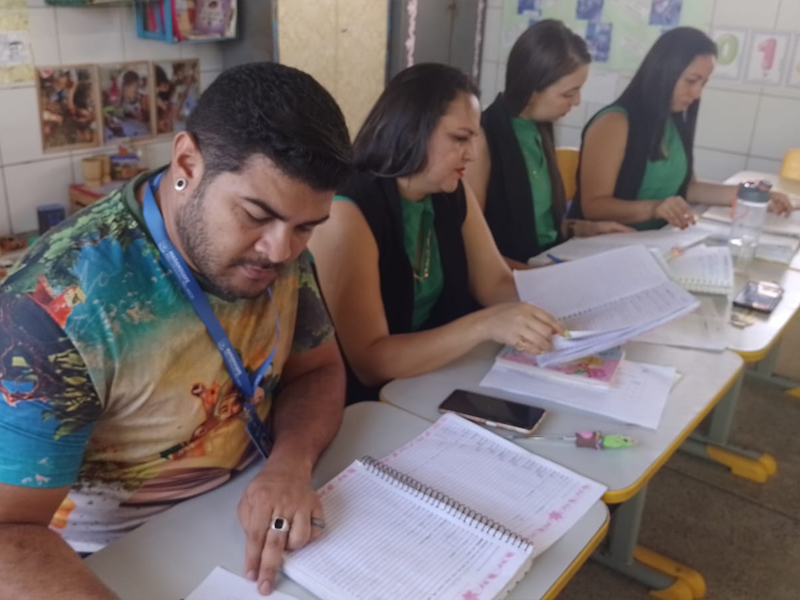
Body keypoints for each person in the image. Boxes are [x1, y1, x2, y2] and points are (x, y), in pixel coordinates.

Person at [0, 62, 352, 599]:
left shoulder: (275, 250)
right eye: (256, 214)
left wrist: (289, 463)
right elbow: (9, 531)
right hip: (113, 559)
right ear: (188, 162)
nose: (281, 251)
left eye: (305, 227)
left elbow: (318, 369)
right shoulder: (59, 306)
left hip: (246, 517)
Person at [309, 63, 565, 403]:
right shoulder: (348, 211)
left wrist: (576, 298)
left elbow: (497, 285)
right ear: (411, 130)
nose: (472, 155)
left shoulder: (449, 190)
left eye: (473, 139)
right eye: (460, 138)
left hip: (432, 380)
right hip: (371, 403)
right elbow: (371, 362)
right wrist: (483, 325)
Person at [574, 27, 793, 231]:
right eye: (691, 81)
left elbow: (687, 188)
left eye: (703, 83)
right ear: (663, 73)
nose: (697, 93)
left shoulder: (673, 120)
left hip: (655, 240)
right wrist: (654, 208)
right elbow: (594, 207)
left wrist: (750, 194)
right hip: (607, 245)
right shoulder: (614, 123)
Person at [466, 19, 633, 268]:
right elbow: (469, 252)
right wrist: (543, 275)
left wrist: (585, 229)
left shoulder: (539, 129)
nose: (576, 101)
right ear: (532, 87)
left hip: (544, 267)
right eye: (568, 93)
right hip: (509, 282)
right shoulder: (483, 140)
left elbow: (540, 226)